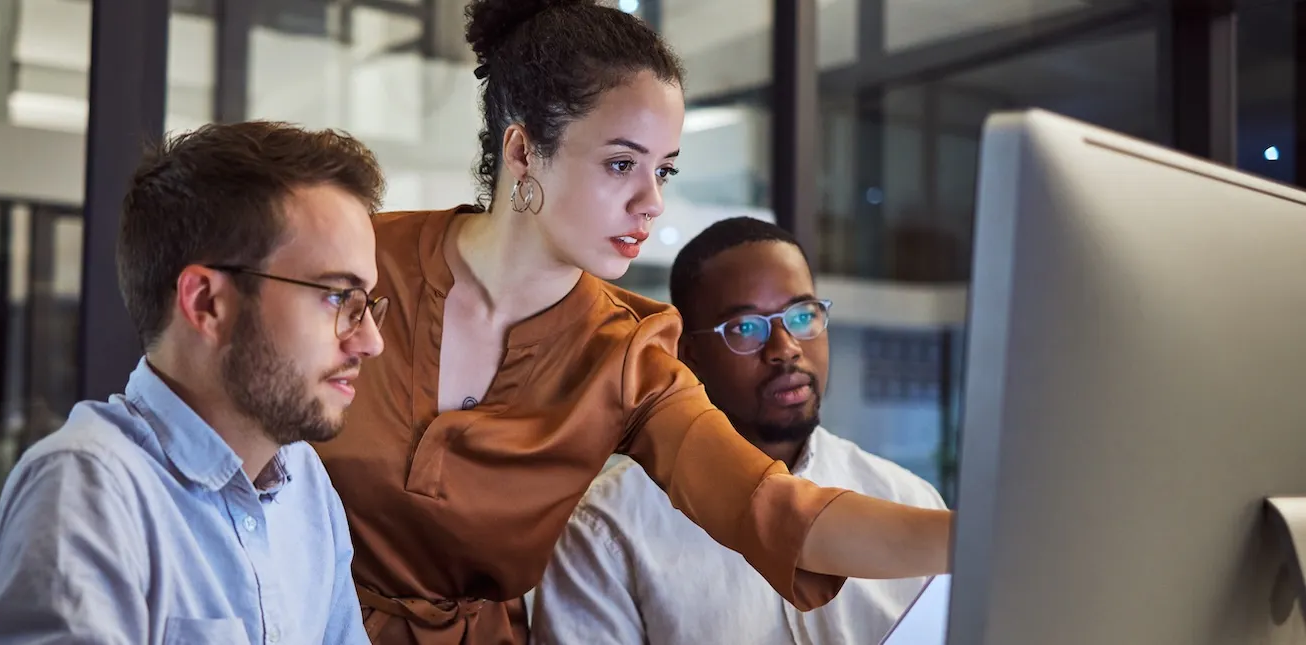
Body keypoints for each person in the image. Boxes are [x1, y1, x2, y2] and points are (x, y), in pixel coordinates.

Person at [313, 1, 954, 643]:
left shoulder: (629, 356)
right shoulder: (354, 263)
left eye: (664, 169)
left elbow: (775, 510)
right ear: (523, 149)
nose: (652, 203)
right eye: (622, 163)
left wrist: (982, 536)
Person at [0, 121, 387, 645]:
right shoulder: (88, 491)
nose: (369, 342)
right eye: (339, 298)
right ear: (207, 304)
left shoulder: (305, 484)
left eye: (366, 304)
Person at [531, 217, 950, 644]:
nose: (785, 347)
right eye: (746, 328)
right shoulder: (606, 527)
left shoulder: (906, 499)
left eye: (803, 315)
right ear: (687, 355)